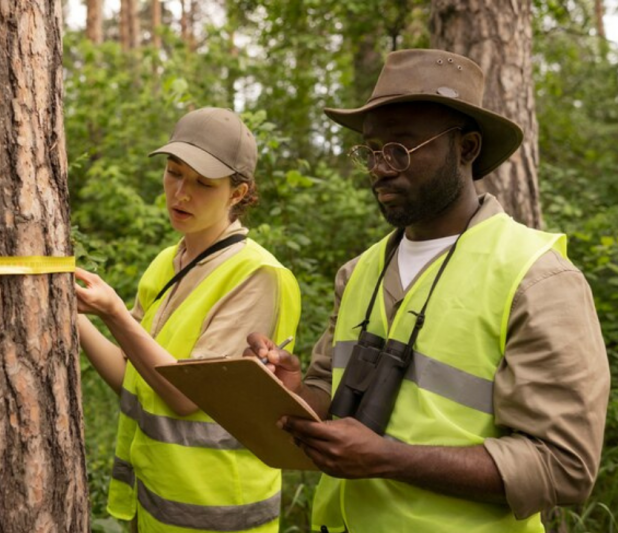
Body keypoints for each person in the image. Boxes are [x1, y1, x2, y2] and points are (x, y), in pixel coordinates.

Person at [245, 49, 609, 533]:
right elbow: (327, 395)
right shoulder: (360, 273)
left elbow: (564, 466)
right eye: (370, 151)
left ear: (467, 148)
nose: (379, 167)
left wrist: (391, 459)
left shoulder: (536, 279)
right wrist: (291, 393)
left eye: (400, 148)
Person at [74, 107, 301, 533]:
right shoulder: (167, 262)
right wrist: (73, 316)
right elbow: (131, 376)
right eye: (174, 172)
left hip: (222, 516)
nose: (181, 193)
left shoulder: (258, 276)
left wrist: (114, 313)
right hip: (156, 505)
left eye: (203, 183)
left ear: (238, 193)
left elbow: (185, 398)